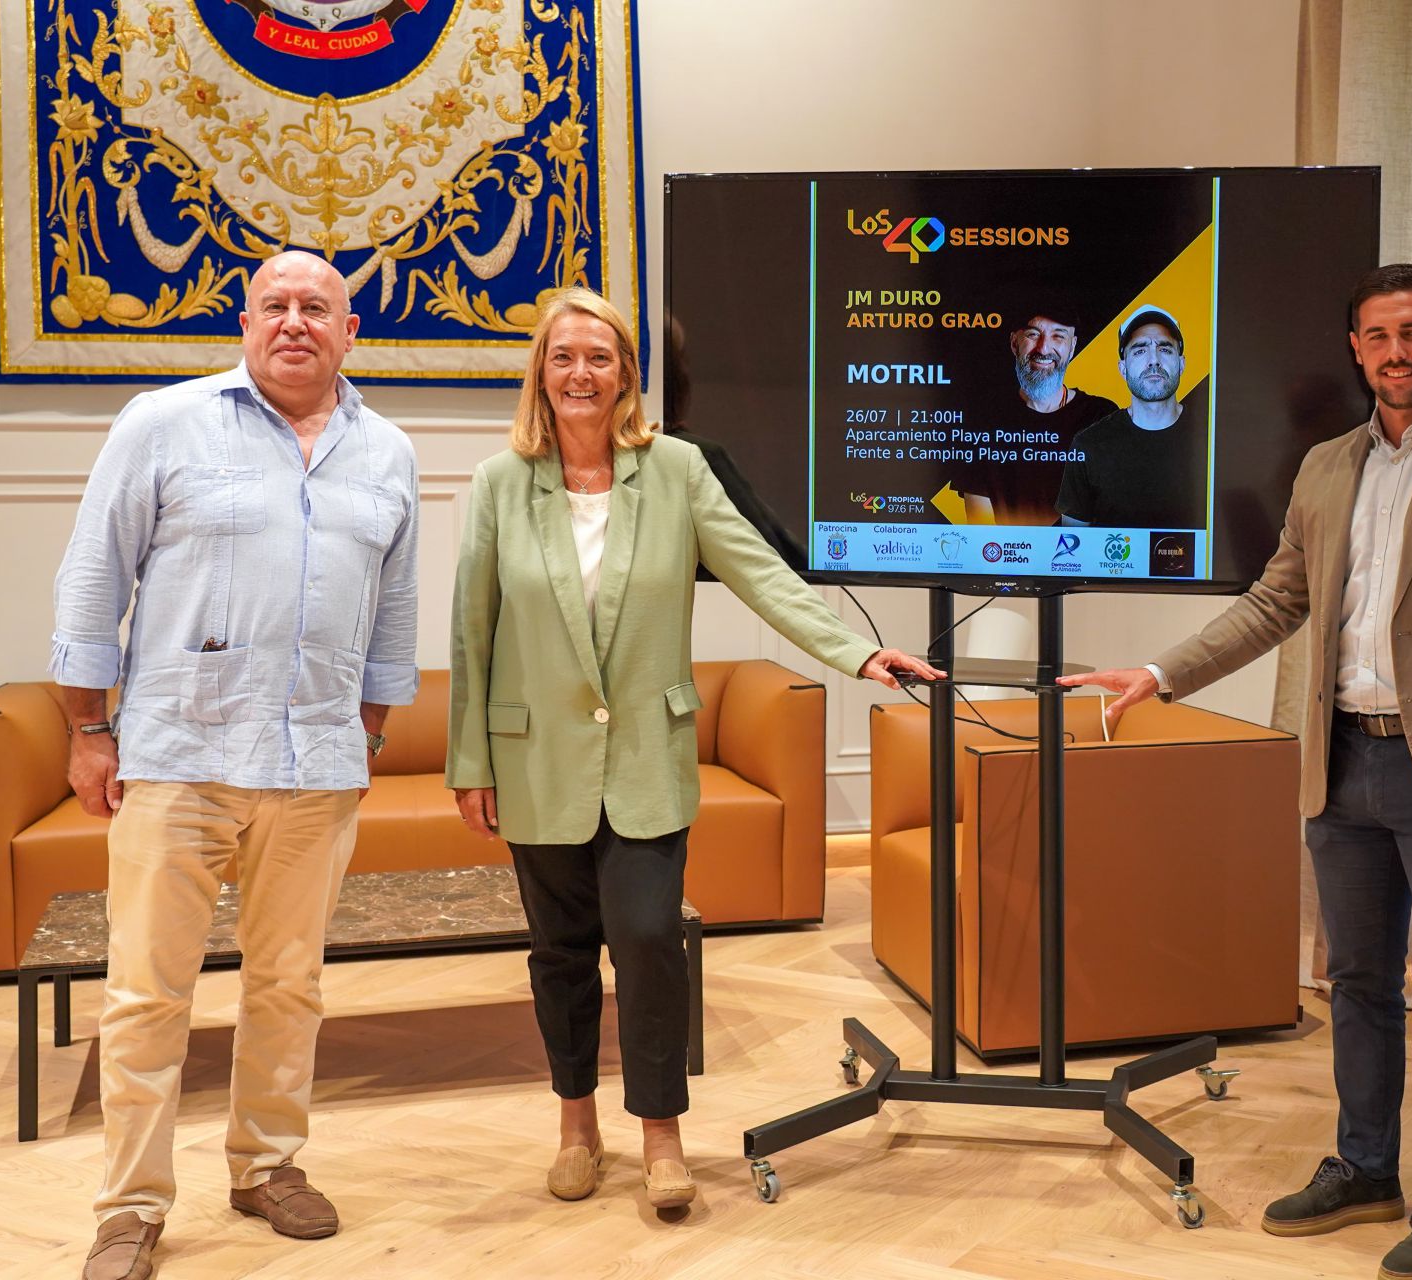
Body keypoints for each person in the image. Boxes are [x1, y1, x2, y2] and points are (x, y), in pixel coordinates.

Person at [1062, 264, 1412, 1280]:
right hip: (1342, 761)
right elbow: (1273, 601)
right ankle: (1366, 1168)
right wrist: (1159, 672)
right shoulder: (1327, 466)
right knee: (1355, 981)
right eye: (1377, 336)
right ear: (1356, 349)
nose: (1395, 352)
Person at [446, 288, 939, 1210]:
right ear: (540, 374)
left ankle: (660, 1135)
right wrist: (468, 762)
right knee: (560, 952)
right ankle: (576, 1126)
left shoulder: (676, 471)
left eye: (600, 358)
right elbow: (472, 631)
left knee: (648, 940)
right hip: (534, 759)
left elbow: (761, 573)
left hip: (645, 757)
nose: (581, 374)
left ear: (626, 375)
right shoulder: (499, 483)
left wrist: (855, 651)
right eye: (563, 357)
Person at [52, 251, 419, 1280]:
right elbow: (93, 575)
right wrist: (88, 729)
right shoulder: (163, 423)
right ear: (246, 323)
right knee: (146, 995)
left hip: (317, 766)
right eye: (275, 305)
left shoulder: (387, 451)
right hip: (178, 754)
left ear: (350, 332)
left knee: (290, 984)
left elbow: (393, 612)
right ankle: (131, 1205)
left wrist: (368, 734)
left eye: (317, 307)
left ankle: (266, 1165)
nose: (295, 321)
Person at [954, 301, 1116, 525]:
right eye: (1033, 334)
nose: (1043, 349)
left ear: (1072, 347)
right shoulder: (981, 420)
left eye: (1058, 336)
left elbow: (1109, 514)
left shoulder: (1103, 417)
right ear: (1014, 343)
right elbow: (981, 529)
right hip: (1003, 549)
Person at [1055, 305, 1207, 529]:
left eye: (1165, 349)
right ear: (1122, 368)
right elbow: (1071, 543)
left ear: (1182, 363)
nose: (1153, 360)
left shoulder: (1212, 439)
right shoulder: (1089, 444)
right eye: (1139, 350)